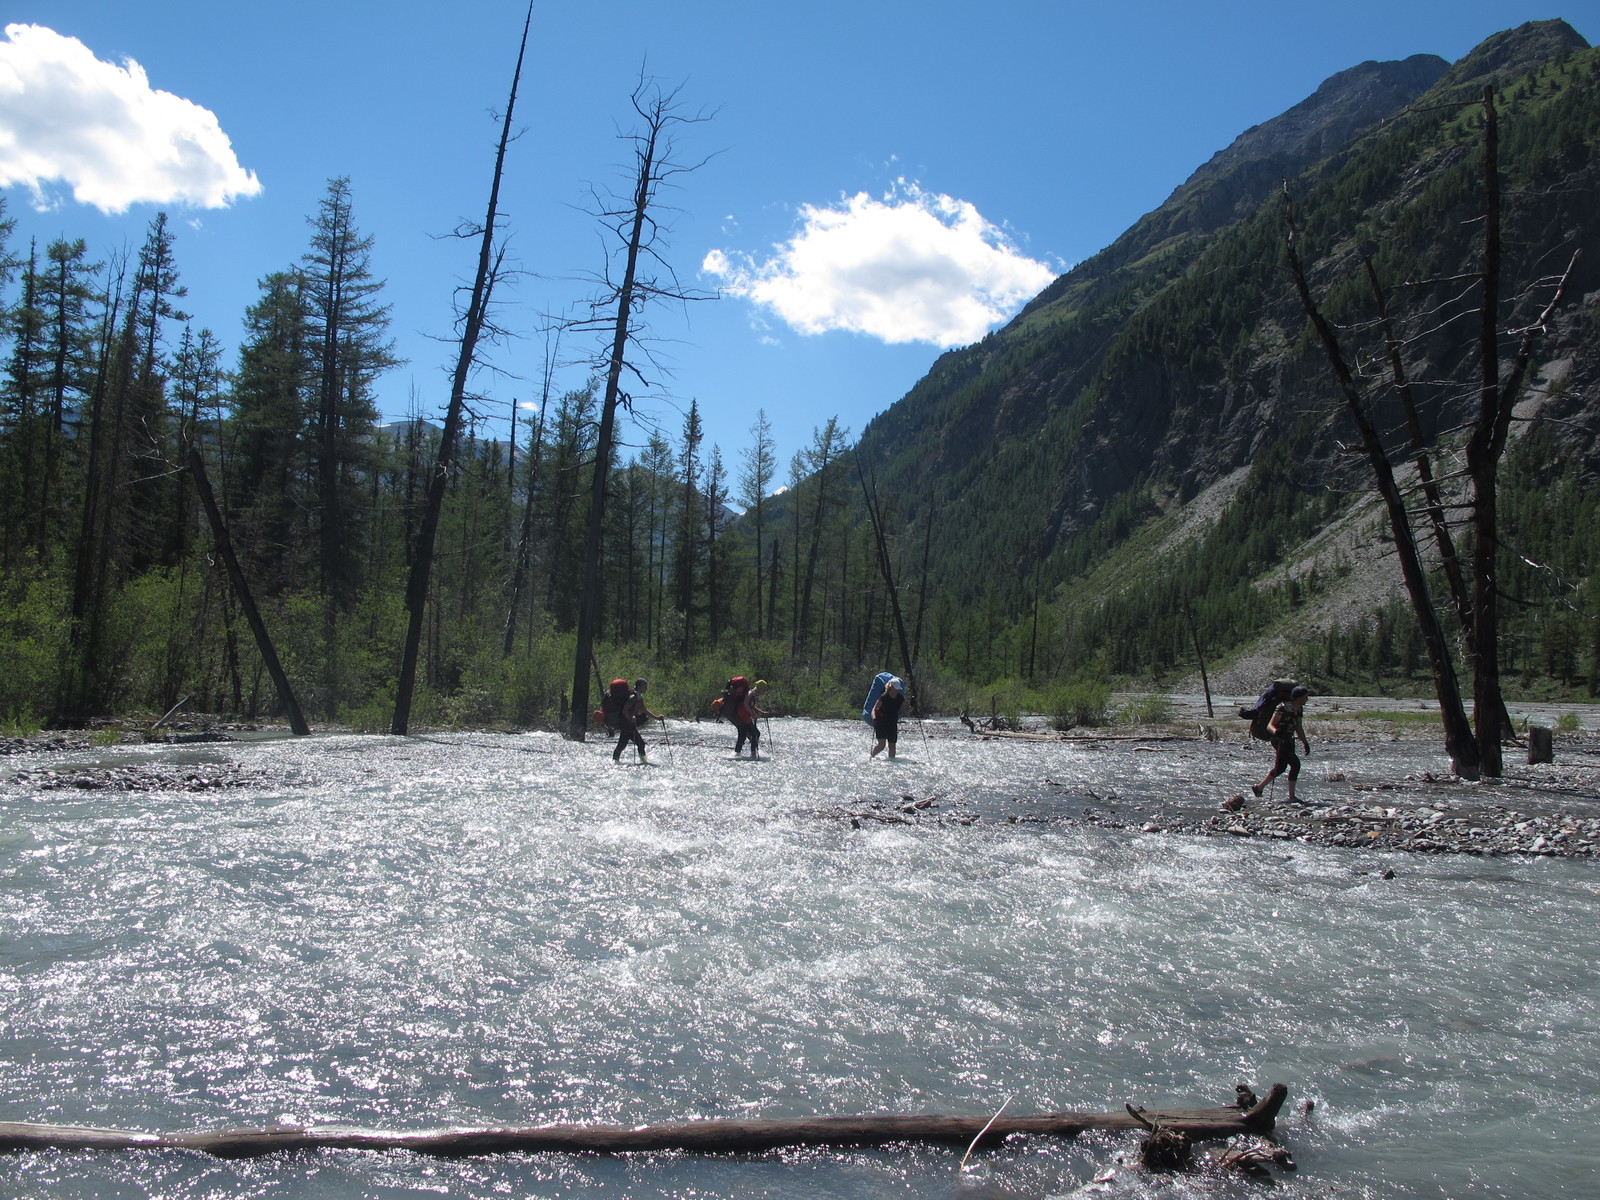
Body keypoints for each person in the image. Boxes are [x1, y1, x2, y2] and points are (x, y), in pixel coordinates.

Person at [1253, 684, 1310, 800]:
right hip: (1279, 740)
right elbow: (1270, 726)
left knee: (1281, 768)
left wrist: (1305, 743)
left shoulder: (1299, 709)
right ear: (1299, 697)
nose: (1307, 699)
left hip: (1289, 740)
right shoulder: (1282, 707)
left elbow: (1299, 728)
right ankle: (1292, 796)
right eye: (1305, 697)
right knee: (1295, 764)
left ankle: (1258, 788)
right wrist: (1276, 732)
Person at [614, 678, 661, 764]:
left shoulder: (639, 697)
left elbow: (645, 711)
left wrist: (658, 718)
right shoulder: (633, 697)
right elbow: (625, 710)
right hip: (627, 724)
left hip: (629, 725)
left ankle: (615, 761)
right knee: (640, 744)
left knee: (622, 745)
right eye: (644, 686)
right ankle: (643, 762)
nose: (646, 688)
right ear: (639, 687)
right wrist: (630, 719)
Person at [869, 676, 905, 760]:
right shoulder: (883, 697)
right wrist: (874, 718)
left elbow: (907, 711)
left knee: (892, 746)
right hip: (881, 723)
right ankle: (871, 757)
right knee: (882, 745)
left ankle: (891, 763)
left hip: (892, 723)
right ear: (891, 687)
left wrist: (913, 706)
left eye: (898, 689)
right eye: (896, 688)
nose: (898, 690)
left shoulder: (900, 698)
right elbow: (874, 710)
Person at [732, 678, 767, 758]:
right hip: (743, 716)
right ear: (760, 688)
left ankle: (737, 753)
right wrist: (753, 714)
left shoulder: (752, 693)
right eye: (764, 690)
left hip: (743, 716)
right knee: (755, 733)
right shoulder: (751, 693)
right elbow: (745, 704)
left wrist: (761, 712)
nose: (764, 692)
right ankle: (753, 753)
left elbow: (751, 705)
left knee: (743, 734)